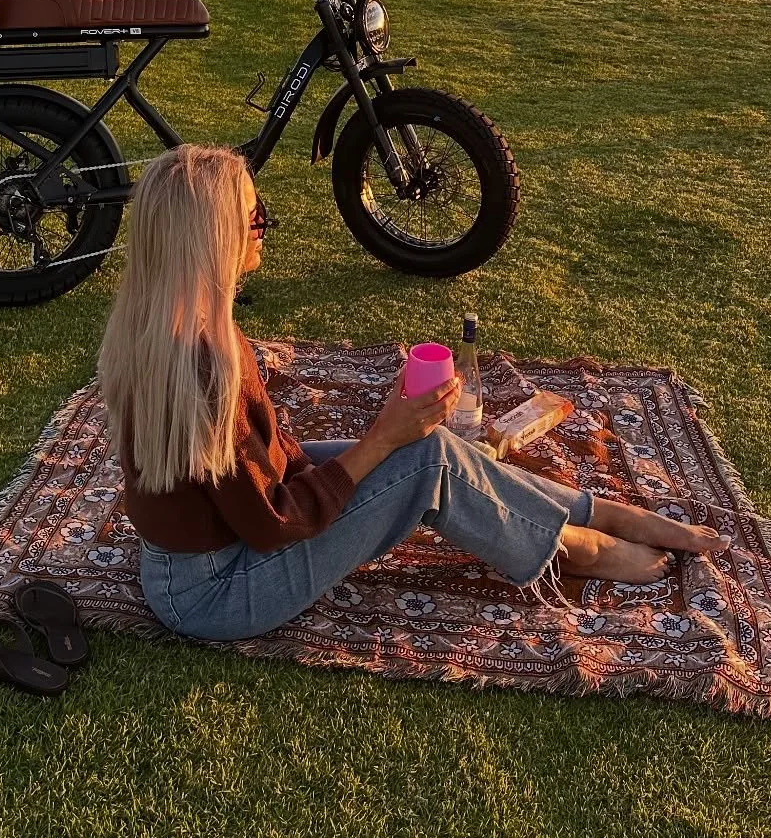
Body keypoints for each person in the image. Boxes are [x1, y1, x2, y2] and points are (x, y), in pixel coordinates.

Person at [97, 145, 722, 643]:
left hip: (207, 555)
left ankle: (587, 513)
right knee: (420, 460)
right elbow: (273, 523)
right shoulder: (202, 366)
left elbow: (264, 466)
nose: (266, 225)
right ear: (209, 238)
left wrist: (385, 442)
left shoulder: (169, 326)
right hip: (217, 593)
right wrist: (380, 440)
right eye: (251, 216)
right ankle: (570, 548)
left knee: (423, 446)